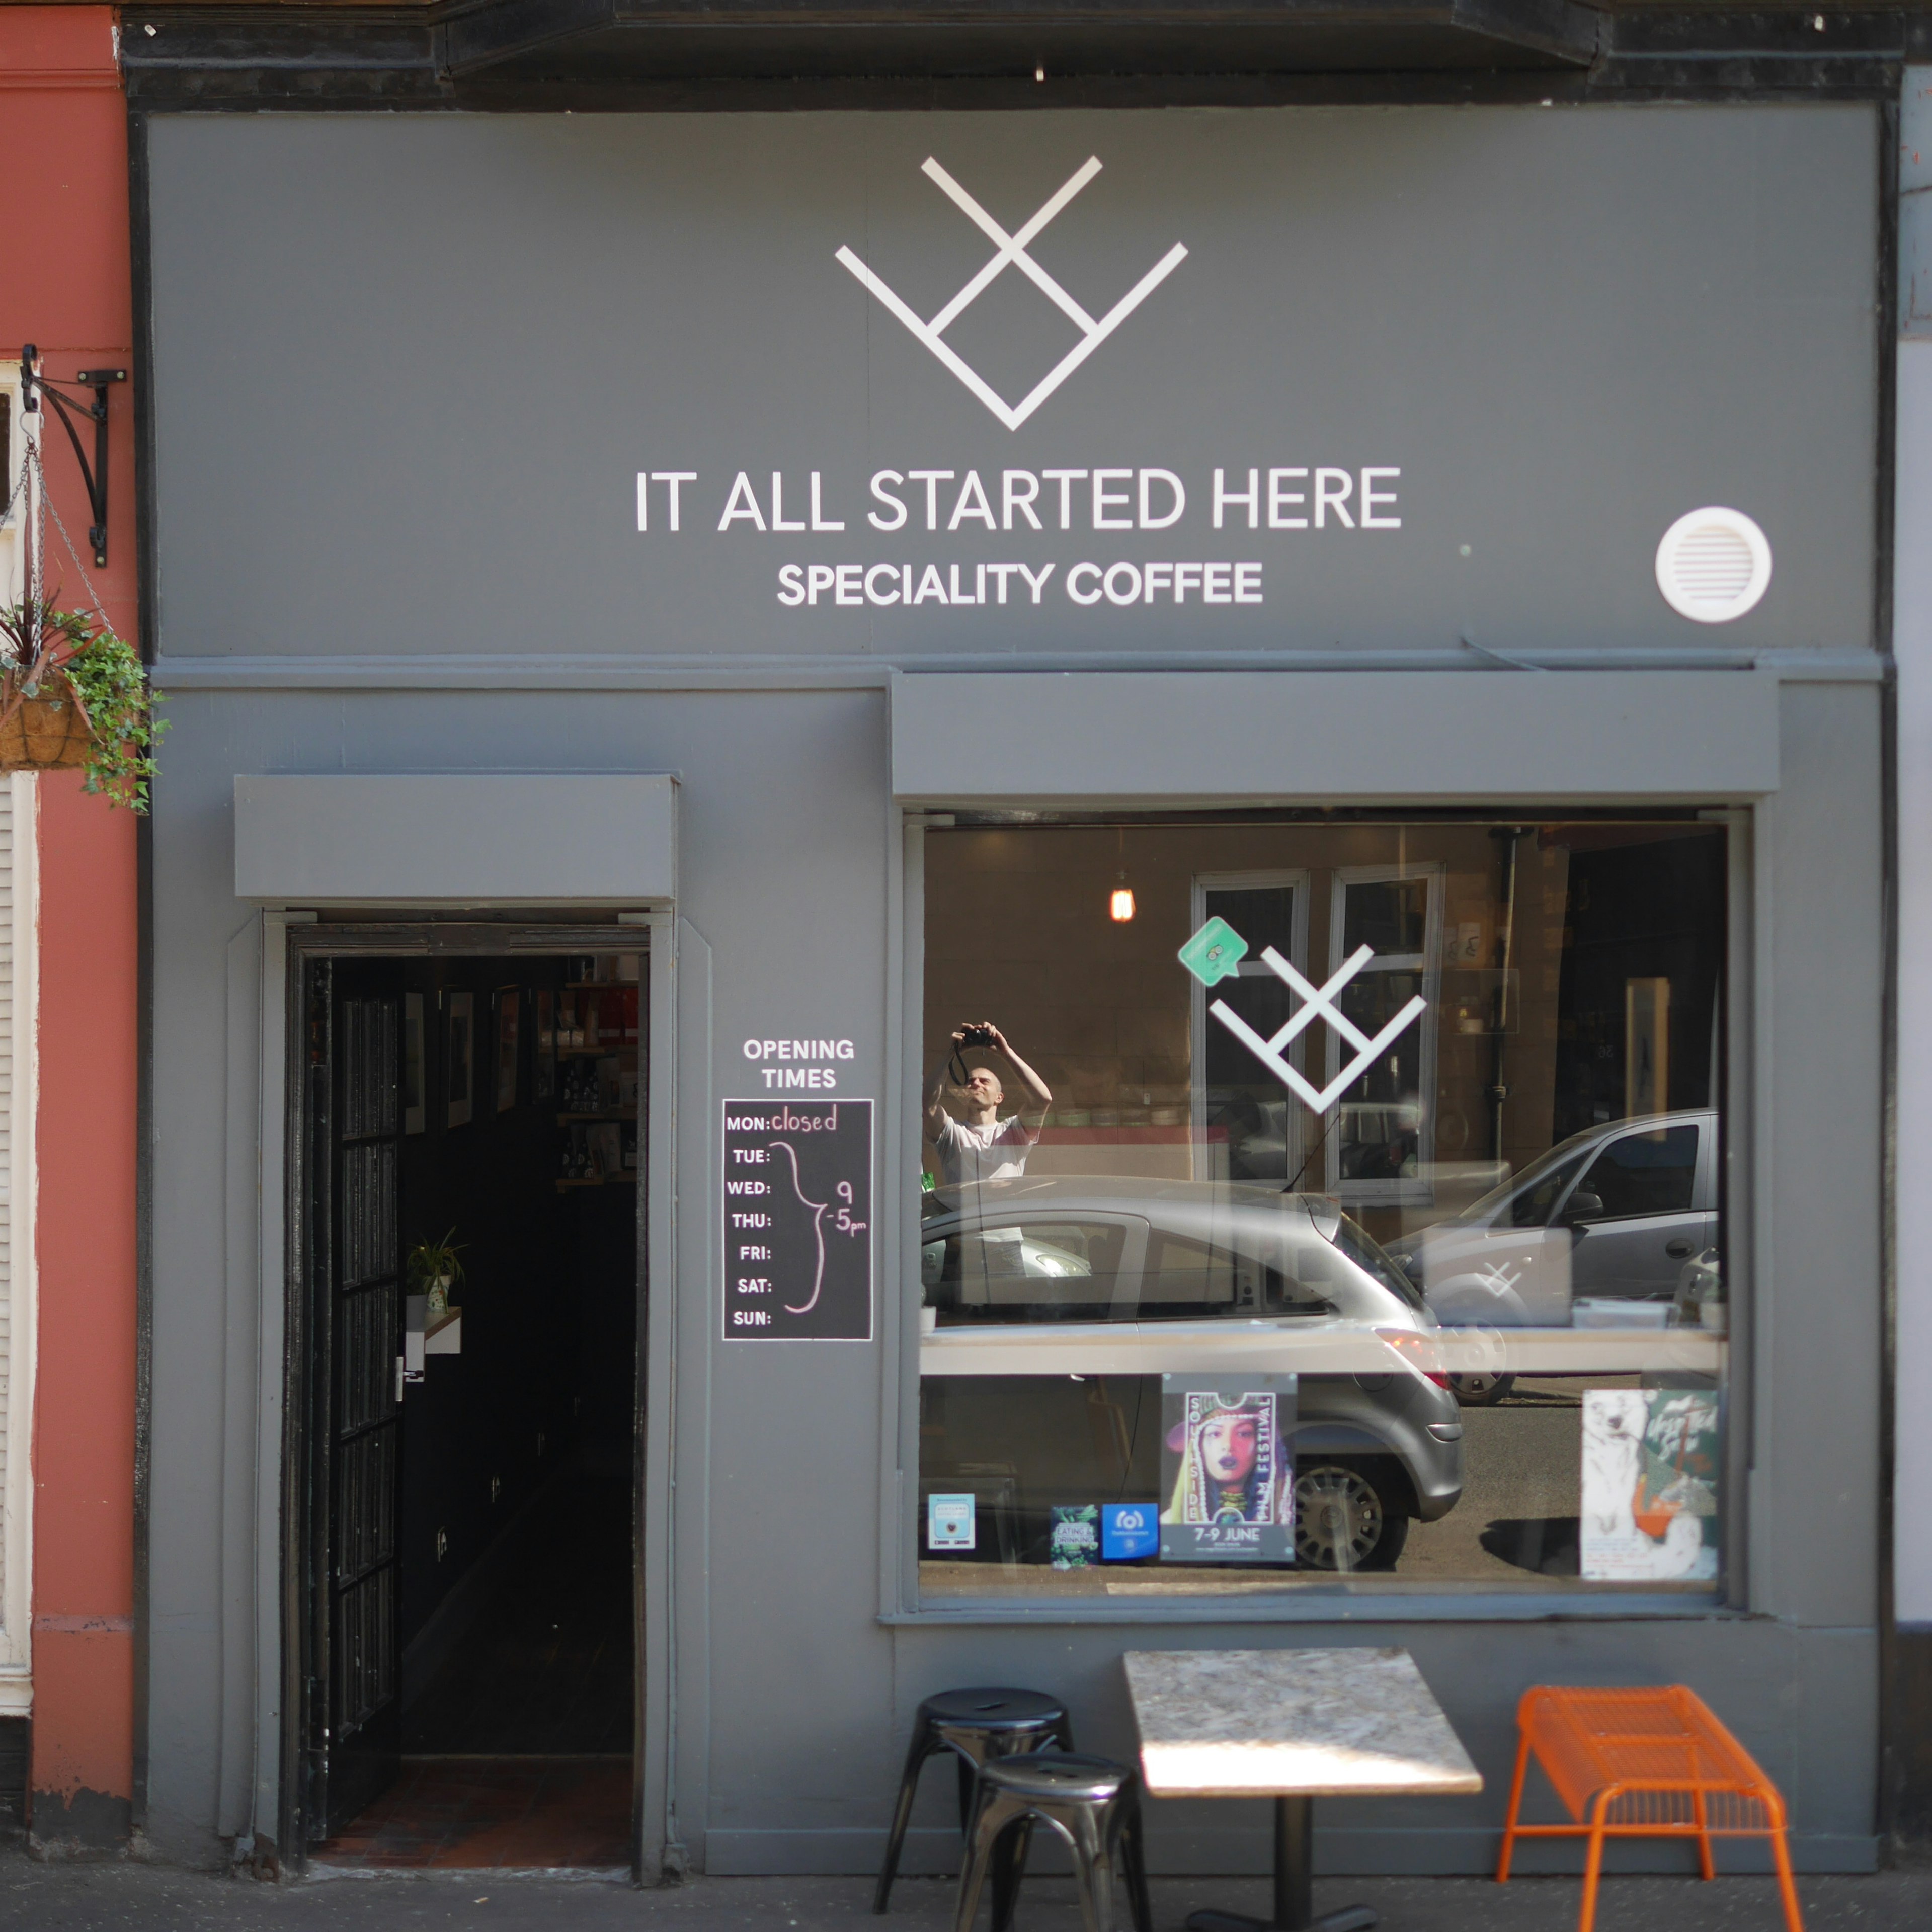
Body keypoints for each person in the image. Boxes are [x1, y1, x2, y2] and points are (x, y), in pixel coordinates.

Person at [923, 1022, 1053, 1187]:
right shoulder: (952, 1133)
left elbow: (1042, 1100)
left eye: (985, 1081)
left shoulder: (1012, 1133)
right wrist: (952, 1053)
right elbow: (927, 1104)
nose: (976, 1084)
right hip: (962, 1214)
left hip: (1002, 1214)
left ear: (999, 1098)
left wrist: (1006, 1053)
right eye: (970, 1082)